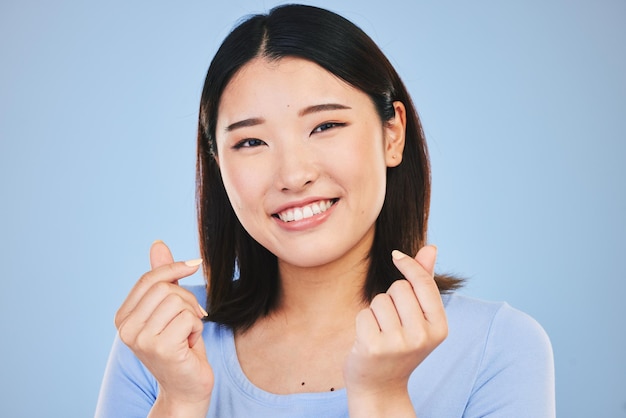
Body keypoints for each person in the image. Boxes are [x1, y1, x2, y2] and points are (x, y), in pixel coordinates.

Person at [95, 4, 555, 417]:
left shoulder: (499, 347)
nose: (293, 175)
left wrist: (382, 396)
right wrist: (178, 400)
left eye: (325, 125)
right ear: (218, 163)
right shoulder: (160, 342)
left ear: (392, 134)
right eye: (251, 141)